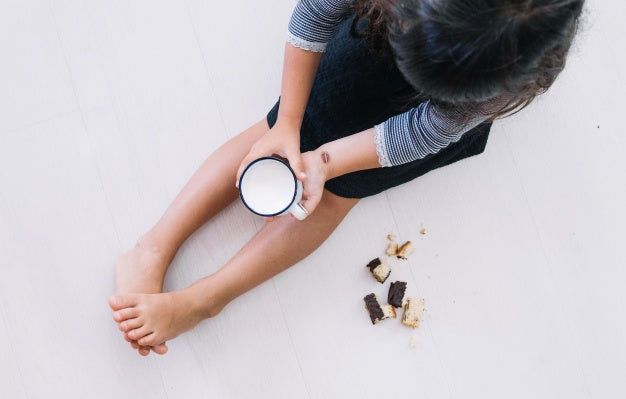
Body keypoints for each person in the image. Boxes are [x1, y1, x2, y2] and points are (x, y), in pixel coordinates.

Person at [108, 0, 585, 355]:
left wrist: (328, 164)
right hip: (378, 27)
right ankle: (152, 247)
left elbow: (424, 129)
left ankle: (206, 298)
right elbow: (316, 13)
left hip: (450, 70)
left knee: (338, 193)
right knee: (275, 131)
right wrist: (289, 121)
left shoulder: (500, 70)